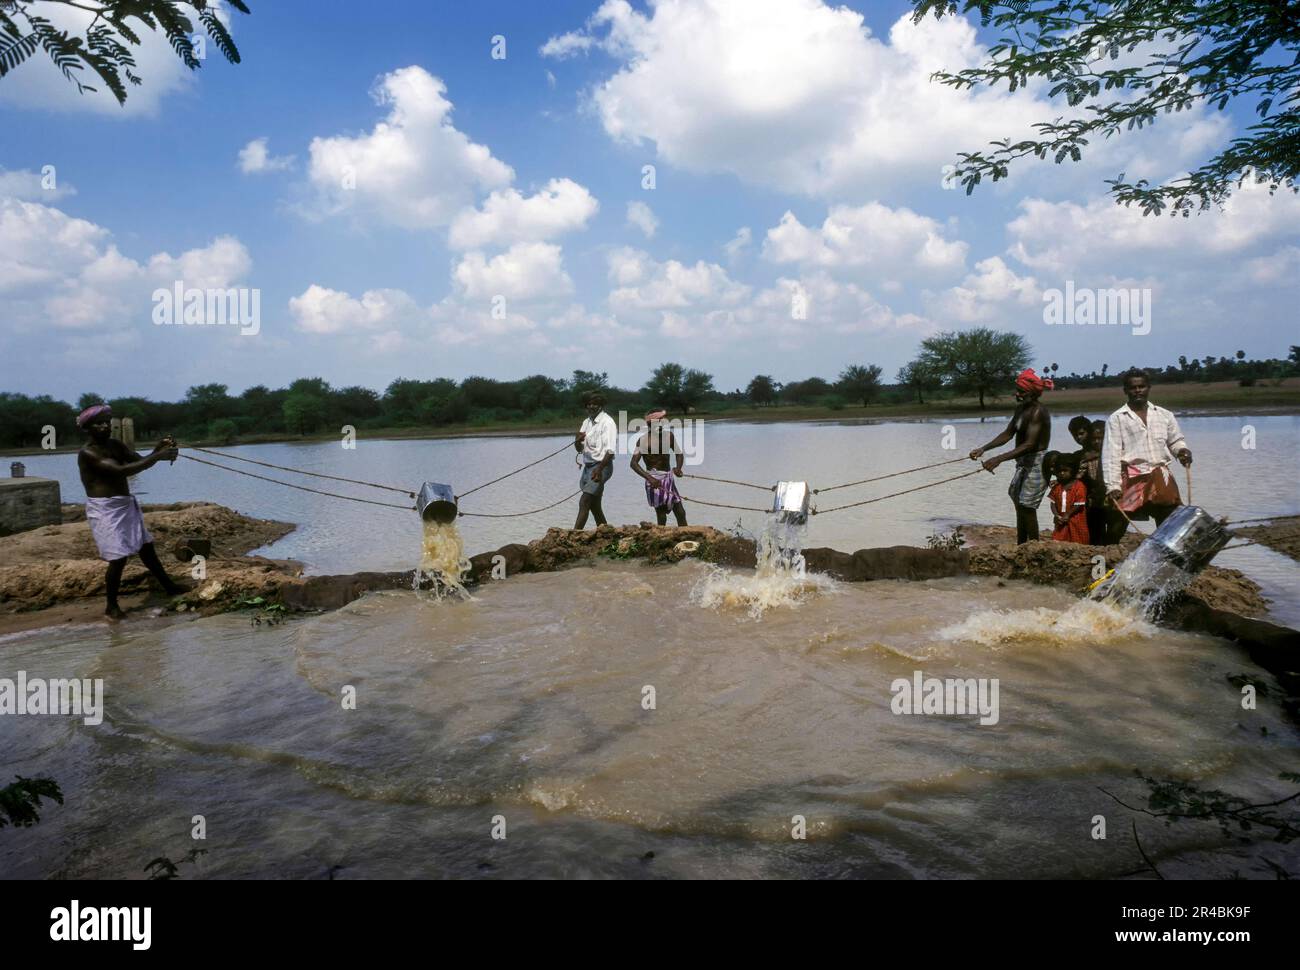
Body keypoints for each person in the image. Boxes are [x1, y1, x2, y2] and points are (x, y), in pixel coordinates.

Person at [76, 404, 188, 620]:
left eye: (106, 423)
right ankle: (111, 605)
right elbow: (122, 471)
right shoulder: (88, 453)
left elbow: (137, 460)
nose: (105, 427)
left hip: (124, 504)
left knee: (146, 549)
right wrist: (159, 456)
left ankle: (169, 587)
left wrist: (159, 448)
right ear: (88, 428)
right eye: (98, 424)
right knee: (118, 559)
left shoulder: (115, 445)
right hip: (105, 509)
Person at [969, 368, 1054, 544]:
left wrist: (998, 459)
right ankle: (1022, 544)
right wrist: (984, 449)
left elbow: (1029, 444)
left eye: (1021, 392)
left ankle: (1033, 546)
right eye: (1018, 391)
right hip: (1023, 462)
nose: (1017, 394)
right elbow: (1008, 434)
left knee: (1027, 506)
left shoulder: (1038, 412)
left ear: (1032, 393)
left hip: (1037, 462)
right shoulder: (1021, 409)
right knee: (1016, 498)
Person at [1102, 369, 1192, 527]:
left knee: (1168, 520)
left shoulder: (1164, 415)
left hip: (1160, 474)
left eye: (1141, 386)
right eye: (1133, 387)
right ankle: (1108, 550)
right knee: (1118, 523)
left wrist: (1182, 451)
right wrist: (1113, 486)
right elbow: (1111, 455)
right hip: (1132, 476)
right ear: (1126, 390)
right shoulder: (1117, 418)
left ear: (1149, 387)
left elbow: (1175, 441)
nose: (1138, 390)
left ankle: (1164, 550)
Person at [630, 408, 687, 526]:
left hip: (668, 478)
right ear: (650, 423)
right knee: (661, 515)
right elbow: (634, 463)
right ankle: (661, 540)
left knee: (680, 512)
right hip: (654, 480)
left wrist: (678, 468)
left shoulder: (669, 436)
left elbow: (679, 454)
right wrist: (650, 479)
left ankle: (686, 539)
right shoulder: (643, 441)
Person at [573, 392, 617, 529]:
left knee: (585, 501)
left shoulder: (607, 422)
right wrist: (577, 441)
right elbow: (579, 448)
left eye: (595, 404)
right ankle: (607, 534)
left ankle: (574, 535)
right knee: (594, 505)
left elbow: (610, 451)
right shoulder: (586, 422)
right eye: (588, 404)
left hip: (602, 466)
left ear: (600, 406)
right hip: (589, 467)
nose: (591, 406)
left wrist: (599, 469)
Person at [1049, 453, 1090, 544]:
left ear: (1073, 470)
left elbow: (1078, 504)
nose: (1062, 473)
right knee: (1059, 539)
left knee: (1078, 539)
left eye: (1065, 470)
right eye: (1059, 471)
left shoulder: (1079, 486)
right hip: (1061, 519)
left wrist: (1068, 514)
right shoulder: (1057, 487)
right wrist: (1056, 515)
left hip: (1076, 519)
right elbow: (1052, 503)